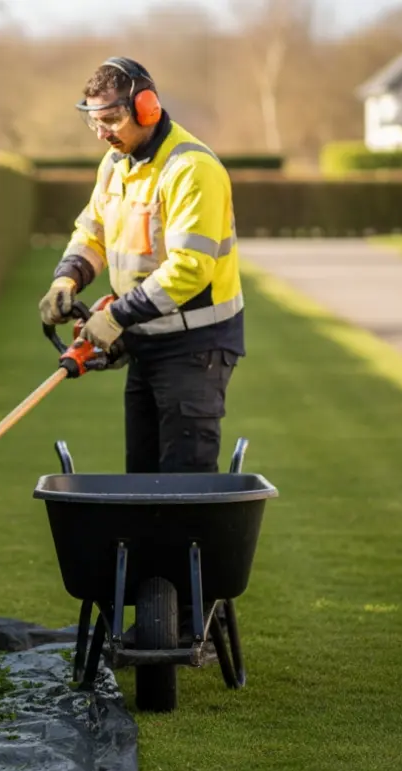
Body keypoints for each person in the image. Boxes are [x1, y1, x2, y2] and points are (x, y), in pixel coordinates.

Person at [39, 56, 246, 475]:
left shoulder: (191, 169)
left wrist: (116, 315)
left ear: (146, 107)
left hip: (195, 348)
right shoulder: (116, 164)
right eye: (94, 121)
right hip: (145, 341)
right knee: (143, 477)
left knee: (184, 483)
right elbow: (93, 231)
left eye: (112, 119)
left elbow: (190, 268)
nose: (101, 133)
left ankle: (187, 544)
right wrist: (66, 279)